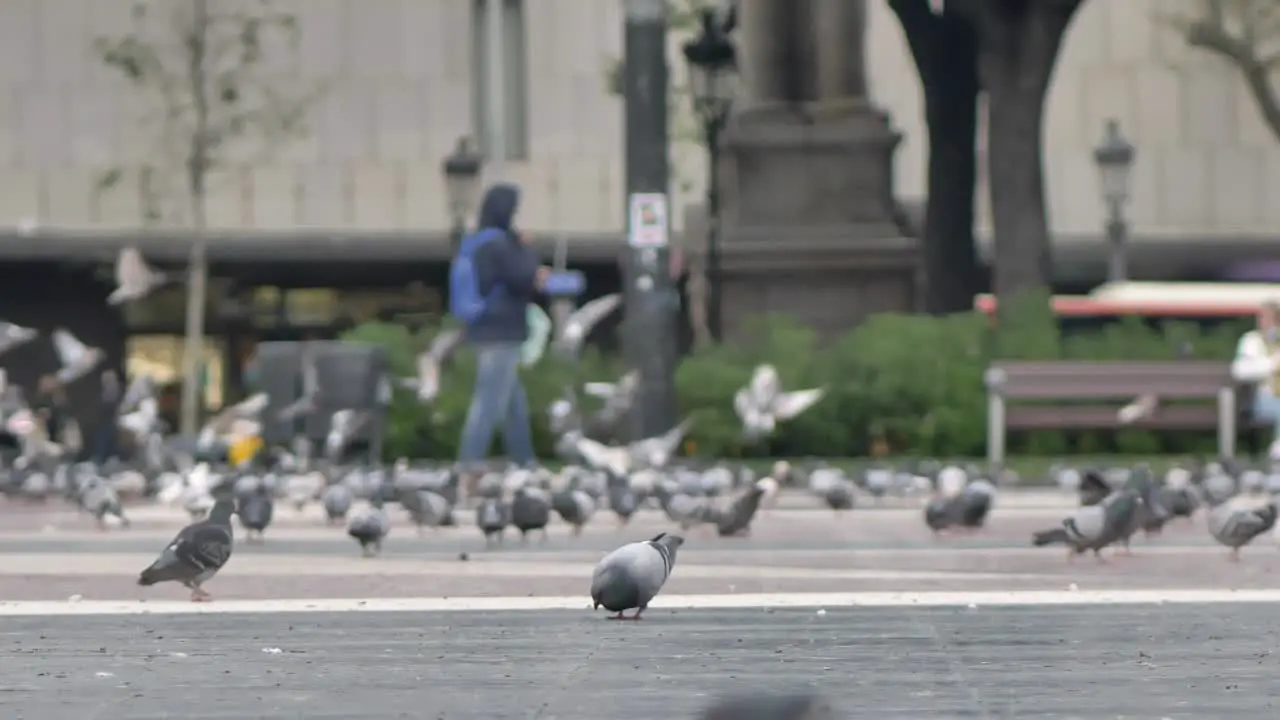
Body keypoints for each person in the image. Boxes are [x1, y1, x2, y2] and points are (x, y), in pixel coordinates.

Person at [452, 183, 550, 475]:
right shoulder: (500, 245)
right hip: (501, 331)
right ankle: (468, 464)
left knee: (512, 405)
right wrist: (528, 251)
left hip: (485, 328)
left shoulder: (478, 241)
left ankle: (524, 461)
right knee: (488, 402)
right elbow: (523, 277)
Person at [1231, 300, 1280, 441]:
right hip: (1263, 398)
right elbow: (1239, 371)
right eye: (1264, 318)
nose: (1268, 322)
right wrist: (1272, 364)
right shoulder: (1251, 341)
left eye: (1274, 318)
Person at [94, 370, 122, 463]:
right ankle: (100, 458)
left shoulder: (116, 390)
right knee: (102, 440)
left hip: (113, 421)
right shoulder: (102, 392)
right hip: (103, 422)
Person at [33, 374, 68, 444]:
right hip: (44, 429)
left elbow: (63, 407)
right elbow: (39, 410)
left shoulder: (58, 397)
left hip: (60, 426)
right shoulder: (41, 398)